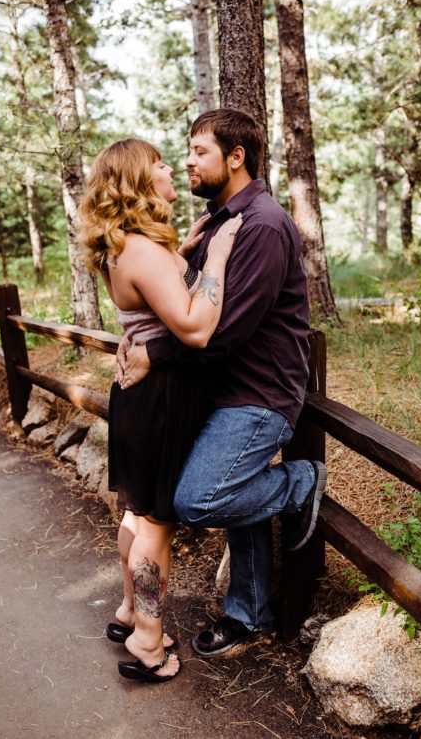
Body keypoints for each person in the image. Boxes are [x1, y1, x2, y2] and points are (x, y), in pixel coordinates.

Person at [118, 108, 328, 659]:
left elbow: (225, 331)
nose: (187, 161)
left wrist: (150, 356)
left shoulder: (260, 224)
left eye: (199, 151)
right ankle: (248, 614)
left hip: (260, 393)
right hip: (221, 389)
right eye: (184, 152)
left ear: (236, 157)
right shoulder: (218, 220)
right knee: (232, 493)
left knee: (199, 499)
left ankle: (302, 482)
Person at [78, 138, 241, 682]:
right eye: (160, 163)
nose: (173, 168)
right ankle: (149, 640)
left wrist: (187, 253)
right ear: (139, 181)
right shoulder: (142, 250)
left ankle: (129, 610)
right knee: (155, 526)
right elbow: (194, 326)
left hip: (143, 397)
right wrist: (214, 260)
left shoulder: (131, 244)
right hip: (162, 400)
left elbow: (157, 296)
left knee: (136, 513)